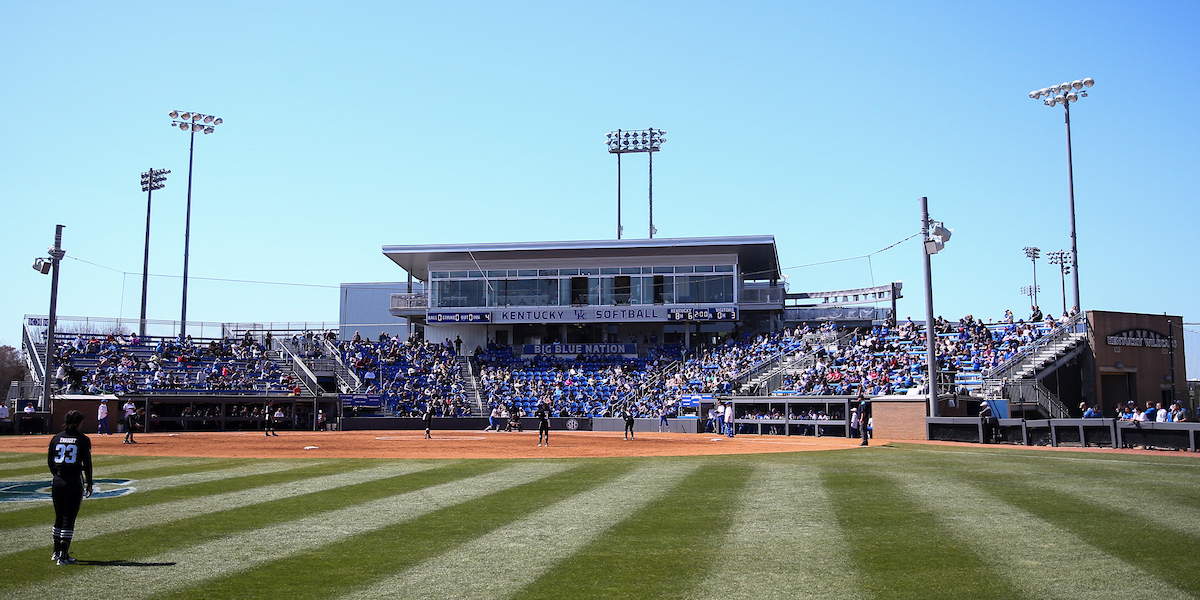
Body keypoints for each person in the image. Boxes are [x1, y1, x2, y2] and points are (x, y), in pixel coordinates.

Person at [48, 410, 92, 565]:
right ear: (78, 422)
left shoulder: (56, 438)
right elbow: (87, 464)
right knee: (69, 519)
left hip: (58, 480)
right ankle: (63, 556)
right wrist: (90, 483)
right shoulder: (83, 439)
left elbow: (50, 462)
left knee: (59, 517)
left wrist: (58, 475)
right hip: (73, 481)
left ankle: (55, 552)